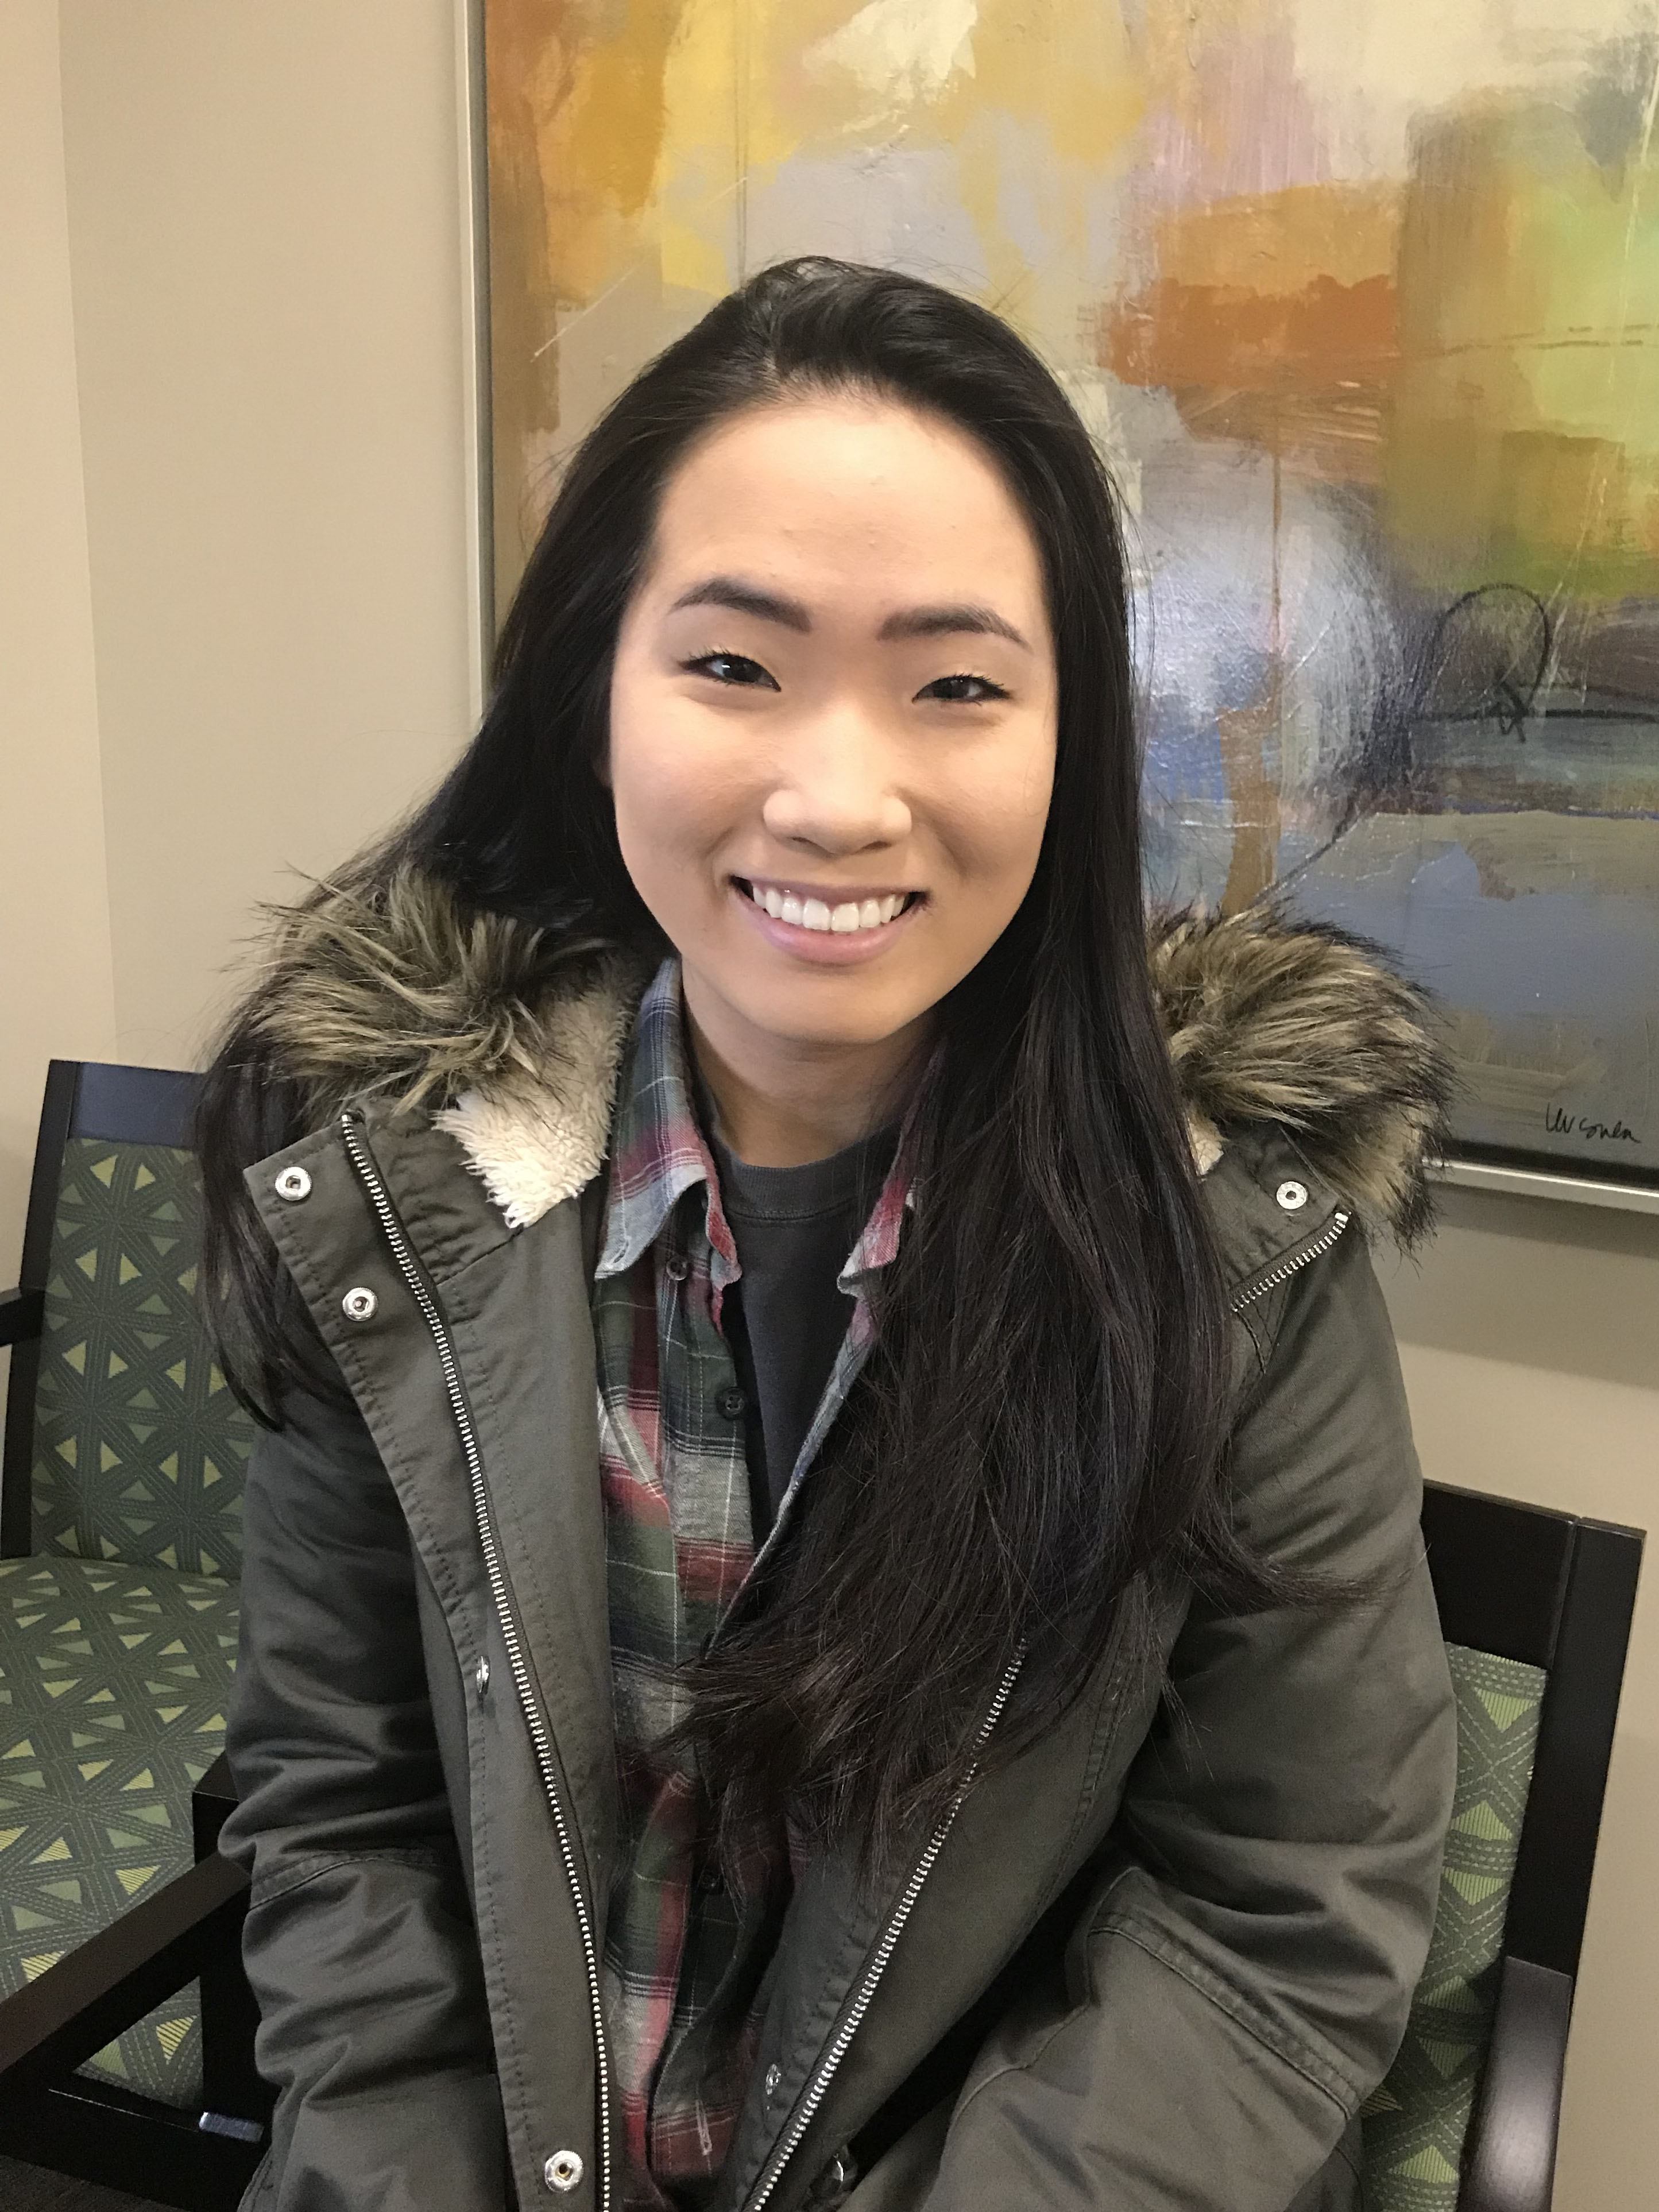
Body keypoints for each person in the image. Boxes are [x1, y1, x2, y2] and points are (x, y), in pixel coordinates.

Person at [198, 256, 1458, 2212]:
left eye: (955, 685)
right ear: (592, 698)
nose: (837, 797)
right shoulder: (396, 1198)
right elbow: (345, 1811)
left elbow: (1277, 1903)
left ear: (1068, 744)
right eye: (734, 665)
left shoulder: (1232, 1246)